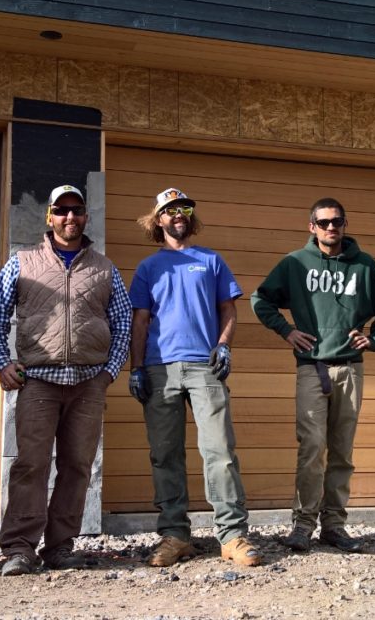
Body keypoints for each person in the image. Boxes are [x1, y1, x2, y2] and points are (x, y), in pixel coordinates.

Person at [0, 185, 131, 576]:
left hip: (87, 384)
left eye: (77, 210)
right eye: (61, 210)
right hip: (39, 383)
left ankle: (61, 546)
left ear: (85, 217)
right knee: (30, 464)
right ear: (49, 217)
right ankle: (20, 547)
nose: (70, 217)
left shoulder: (105, 268)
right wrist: (2, 362)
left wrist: (108, 373)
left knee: (77, 466)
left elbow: (123, 322)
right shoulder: (22, 262)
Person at [251, 197, 375, 553]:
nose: (330, 228)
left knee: (342, 451)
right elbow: (261, 299)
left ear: (345, 224)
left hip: (350, 369)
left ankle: (334, 525)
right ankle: (302, 524)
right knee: (311, 447)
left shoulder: (365, 266)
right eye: (323, 223)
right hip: (312, 368)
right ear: (312, 227)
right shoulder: (295, 263)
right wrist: (287, 331)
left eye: (336, 222)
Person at [128, 188, 262, 568]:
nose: (178, 215)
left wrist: (223, 345)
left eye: (184, 208)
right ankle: (175, 535)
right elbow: (140, 321)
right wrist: (135, 368)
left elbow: (228, 308)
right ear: (158, 220)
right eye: (170, 211)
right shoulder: (148, 268)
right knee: (165, 454)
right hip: (159, 368)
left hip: (205, 367)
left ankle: (232, 535)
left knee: (219, 451)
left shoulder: (211, 260)